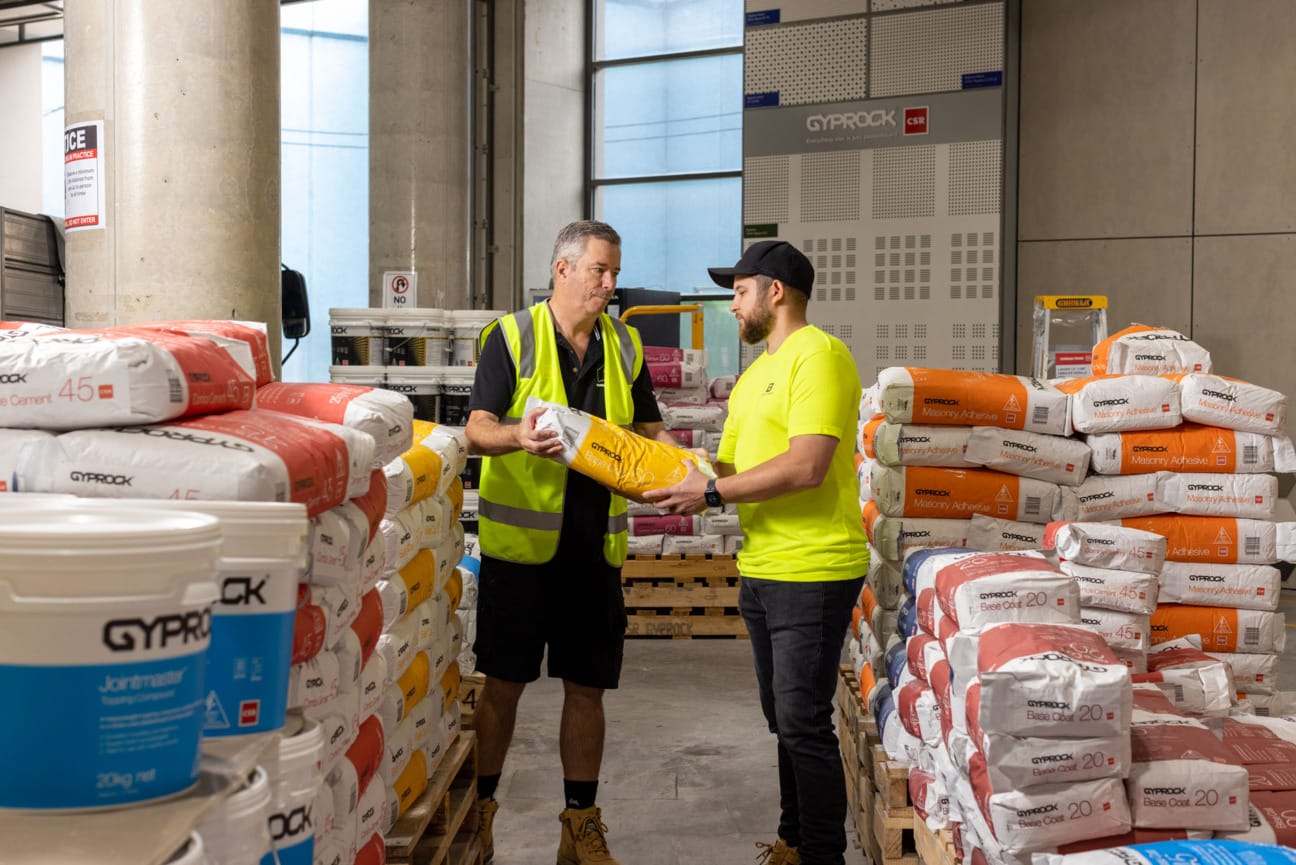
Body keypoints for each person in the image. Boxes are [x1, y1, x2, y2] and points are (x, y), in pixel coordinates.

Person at [645, 240, 870, 865]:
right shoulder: (752, 378)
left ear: (775, 291)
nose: (732, 306)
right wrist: (664, 466)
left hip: (814, 566)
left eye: (739, 292)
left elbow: (806, 467)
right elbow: (729, 469)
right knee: (783, 721)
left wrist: (711, 491)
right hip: (763, 568)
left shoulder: (819, 357)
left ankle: (822, 855)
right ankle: (792, 841)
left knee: (803, 722)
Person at [465, 219, 678, 865]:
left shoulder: (625, 343)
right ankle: (480, 815)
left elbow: (651, 431)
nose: (609, 284)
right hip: (521, 552)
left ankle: (579, 826)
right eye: (599, 270)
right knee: (503, 684)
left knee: (587, 687)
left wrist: (688, 469)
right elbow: (476, 428)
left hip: (594, 550)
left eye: (614, 272)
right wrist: (516, 437)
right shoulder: (511, 336)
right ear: (563, 269)